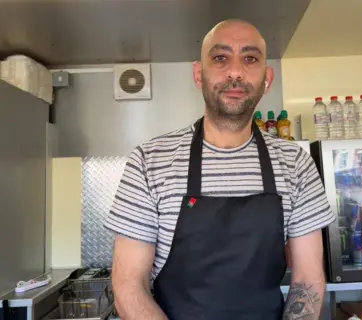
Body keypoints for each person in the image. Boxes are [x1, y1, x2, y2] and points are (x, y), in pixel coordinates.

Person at [104, 19, 335, 320]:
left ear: (267, 78)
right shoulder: (150, 160)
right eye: (220, 58)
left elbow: (307, 280)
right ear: (199, 74)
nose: (236, 72)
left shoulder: (296, 163)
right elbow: (128, 285)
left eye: (250, 59)